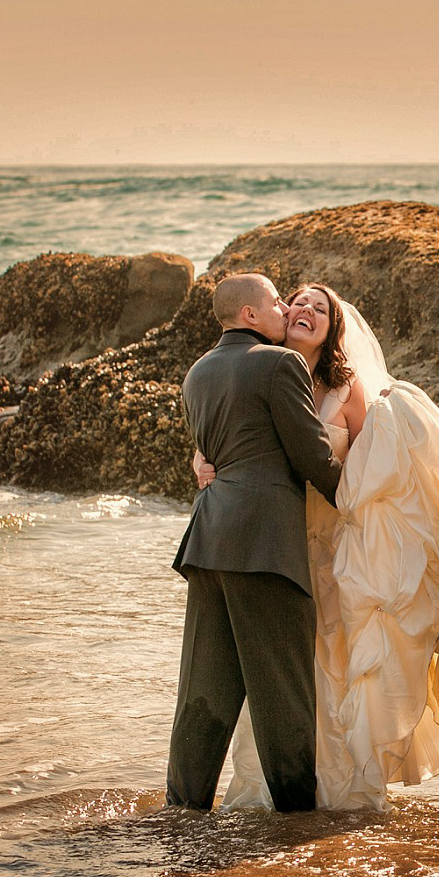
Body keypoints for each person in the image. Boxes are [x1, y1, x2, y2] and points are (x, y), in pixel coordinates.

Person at [196, 282, 439, 813]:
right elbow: (230, 434)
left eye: (320, 308)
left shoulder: (347, 389)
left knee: (337, 659)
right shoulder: (263, 370)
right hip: (279, 543)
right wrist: (201, 460)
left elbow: (368, 470)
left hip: (333, 544)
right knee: (289, 667)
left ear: (334, 328)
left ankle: (340, 791)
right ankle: (284, 789)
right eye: (298, 302)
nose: (305, 310)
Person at [168, 273, 343, 812]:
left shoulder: (197, 372)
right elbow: (312, 456)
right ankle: (297, 828)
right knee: (283, 698)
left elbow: (211, 456)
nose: (285, 310)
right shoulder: (280, 364)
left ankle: (182, 811)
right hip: (265, 548)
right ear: (249, 316)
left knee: (204, 693)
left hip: (207, 543)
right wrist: (370, 507)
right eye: (275, 303)